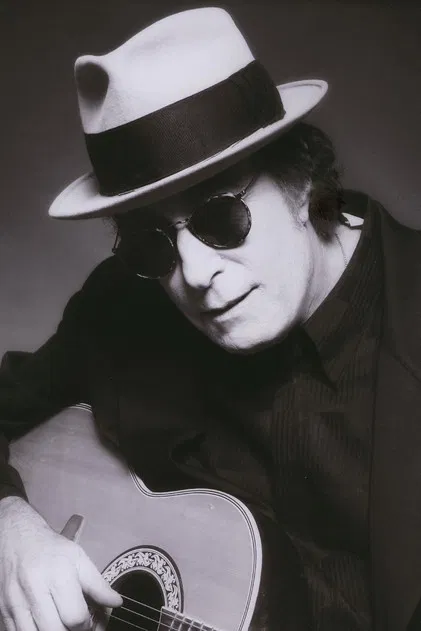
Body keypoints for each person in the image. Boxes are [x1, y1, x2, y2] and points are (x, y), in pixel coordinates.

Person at [0, 6, 420, 631]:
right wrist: (9, 526)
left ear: (302, 180)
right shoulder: (124, 306)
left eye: (220, 217)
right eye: (152, 245)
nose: (194, 273)